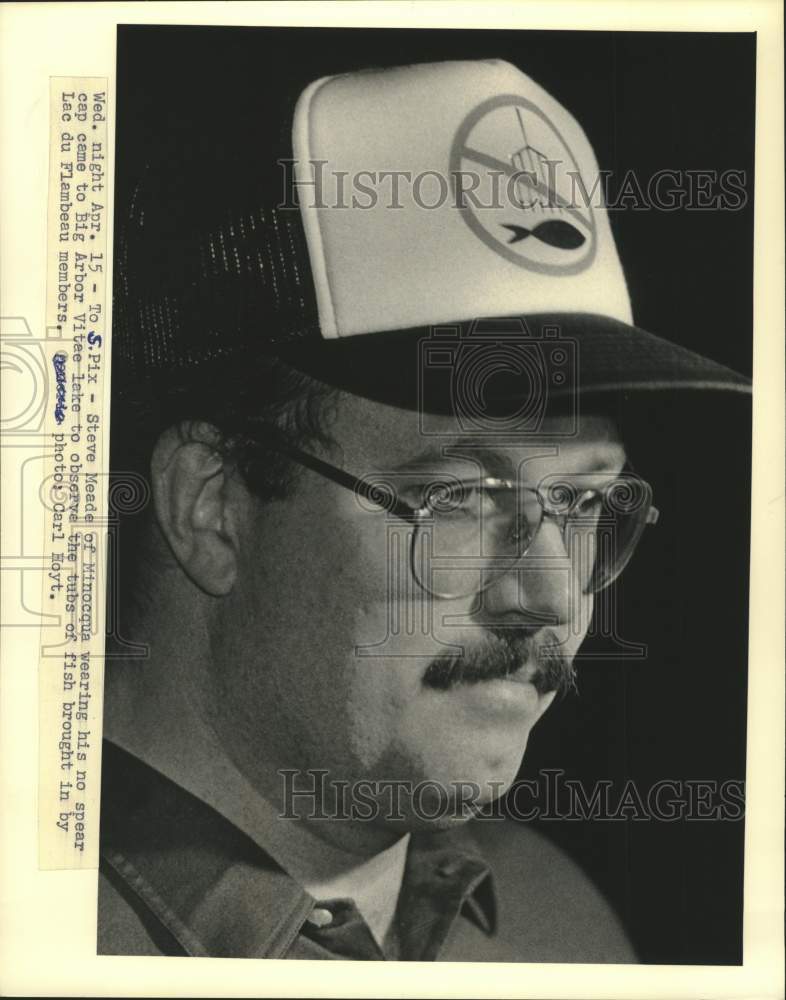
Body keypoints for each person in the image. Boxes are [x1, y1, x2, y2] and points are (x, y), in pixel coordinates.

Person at [98, 57, 750, 961]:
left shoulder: (555, 928)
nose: (551, 596)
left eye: (581, 500)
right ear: (211, 506)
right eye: (463, 498)